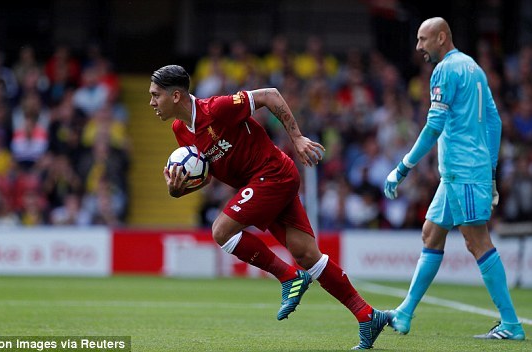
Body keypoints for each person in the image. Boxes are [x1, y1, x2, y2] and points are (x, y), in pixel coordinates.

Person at [150, 64, 388, 350]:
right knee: (307, 254)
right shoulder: (181, 130)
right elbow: (207, 173)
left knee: (221, 231)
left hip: (273, 173)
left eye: (155, 95)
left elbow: (270, 95)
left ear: (176, 96)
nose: (151, 102)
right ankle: (367, 315)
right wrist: (179, 190)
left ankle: (288, 277)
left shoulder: (217, 109)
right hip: (263, 183)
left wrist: (297, 138)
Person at [383, 17, 525, 341]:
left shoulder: (445, 70)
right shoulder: (474, 68)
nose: (419, 47)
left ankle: (511, 324)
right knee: (431, 234)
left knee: (478, 243)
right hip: (462, 173)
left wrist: (403, 166)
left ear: (441, 37)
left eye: (423, 39)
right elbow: (495, 122)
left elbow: (434, 126)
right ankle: (405, 312)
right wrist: (489, 173)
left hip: (462, 171)